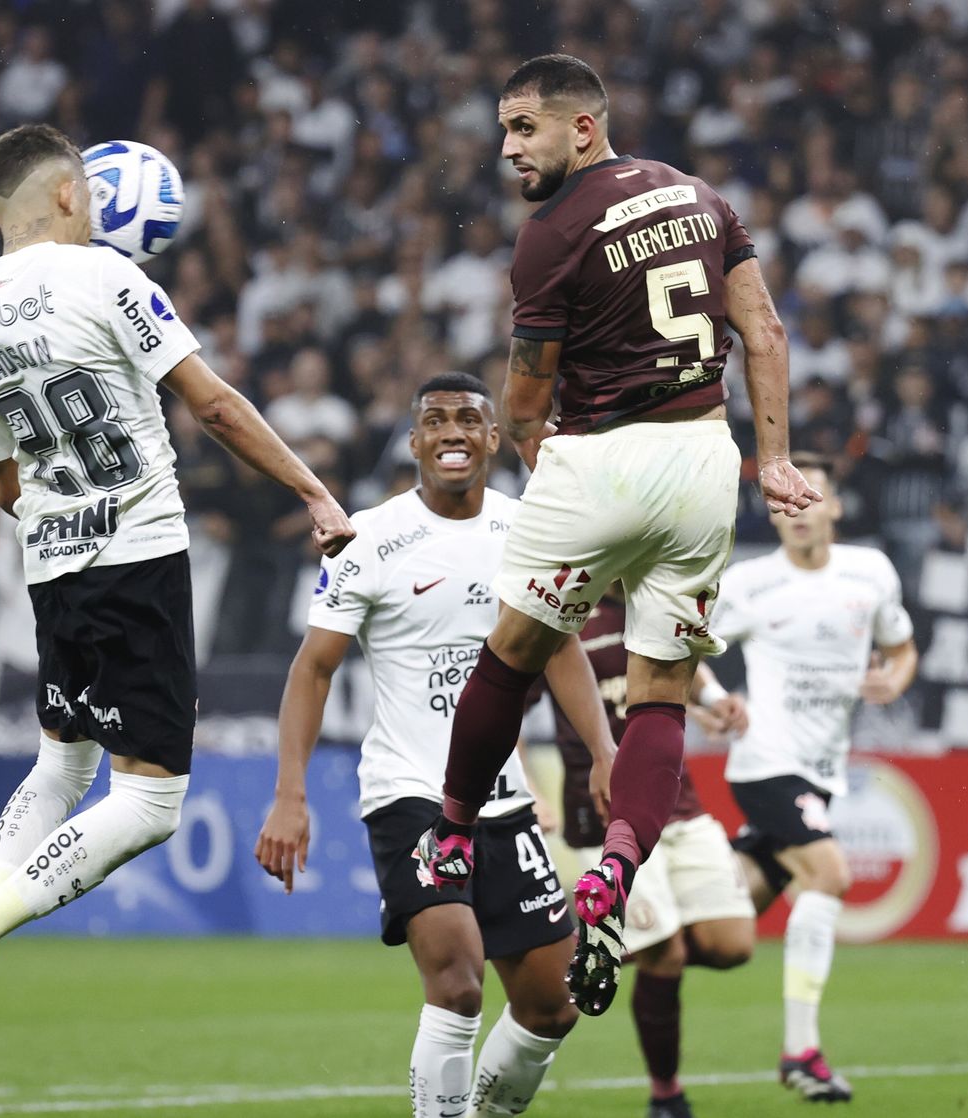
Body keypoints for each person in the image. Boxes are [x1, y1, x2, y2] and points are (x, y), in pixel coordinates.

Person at [0, 123, 354, 1078]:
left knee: (60, 767)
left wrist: (65, 511)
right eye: (93, 199)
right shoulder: (106, 278)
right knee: (150, 804)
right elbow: (215, 405)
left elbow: (3, 486)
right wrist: (312, 489)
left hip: (52, 570)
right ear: (68, 195)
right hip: (136, 562)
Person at [411, 53, 821, 1021]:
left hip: (597, 456)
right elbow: (760, 330)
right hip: (698, 460)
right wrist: (772, 459)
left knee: (510, 655)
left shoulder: (547, 233)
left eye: (523, 128)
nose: (507, 148)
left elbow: (523, 394)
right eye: (503, 130)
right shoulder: (703, 198)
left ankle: (454, 833)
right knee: (661, 695)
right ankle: (623, 864)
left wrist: (533, 453)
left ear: (581, 128)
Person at [256, 373, 616, 1118]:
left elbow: (562, 652)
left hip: (505, 800)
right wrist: (289, 795)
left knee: (554, 1005)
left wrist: (605, 752)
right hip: (409, 792)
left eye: (469, 420)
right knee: (456, 980)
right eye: (436, 421)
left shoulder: (530, 531)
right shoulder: (369, 538)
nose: (452, 432)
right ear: (415, 441)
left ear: (492, 438)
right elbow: (312, 669)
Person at [708, 451, 918, 1102]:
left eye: (809, 498)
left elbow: (903, 648)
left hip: (822, 770)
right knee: (830, 872)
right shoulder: (749, 585)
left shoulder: (870, 574)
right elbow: (685, 649)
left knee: (728, 921)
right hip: (766, 762)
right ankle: (802, 1052)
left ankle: (602, 947)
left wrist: (893, 677)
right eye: (783, 503)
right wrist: (711, 701)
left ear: (835, 507)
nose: (796, 513)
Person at [534, 587, 755, 1118]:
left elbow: (685, 662)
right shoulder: (559, 610)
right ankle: (666, 1095)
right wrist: (528, 784)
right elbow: (507, 697)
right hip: (607, 813)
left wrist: (712, 698)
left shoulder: (656, 596)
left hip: (678, 797)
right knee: (667, 955)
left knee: (732, 944)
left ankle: (605, 947)